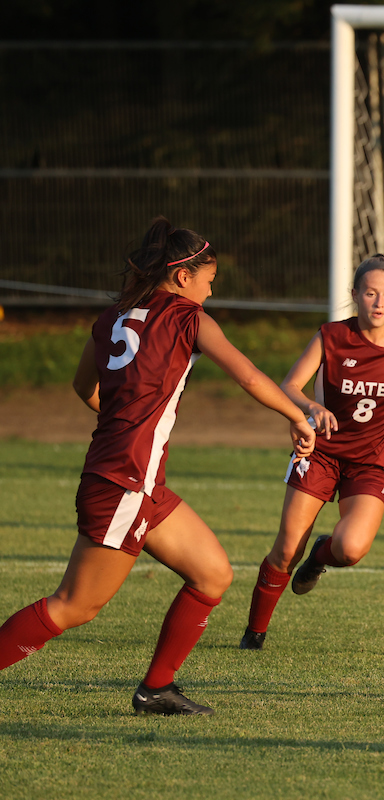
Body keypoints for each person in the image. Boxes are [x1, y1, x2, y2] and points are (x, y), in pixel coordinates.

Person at [0, 217, 316, 715]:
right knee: (75, 604)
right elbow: (250, 377)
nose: (211, 290)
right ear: (183, 276)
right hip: (125, 481)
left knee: (212, 574)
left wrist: (125, 422)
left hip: (132, 477)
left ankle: (156, 690)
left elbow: (83, 386)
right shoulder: (188, 317)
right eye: (209, 279)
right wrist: (297, 417)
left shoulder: (113, 315)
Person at [239, 254, 384, 650]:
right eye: (370, 293)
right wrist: (310, 407)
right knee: (286, 549)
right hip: (321, 453)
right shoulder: (332, 336)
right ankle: (254, 633)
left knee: (350, 548)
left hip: (373, 460)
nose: (379, 302)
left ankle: (320, 556)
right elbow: (289, 386)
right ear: (355, 294)